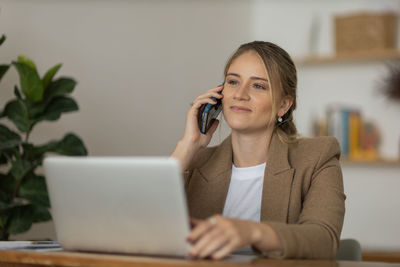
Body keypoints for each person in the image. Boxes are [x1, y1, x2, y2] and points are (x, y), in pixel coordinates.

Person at [170, 41, 345, 260]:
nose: (240, 94)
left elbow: (324, 240)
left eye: (258, 85)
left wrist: (251, 231)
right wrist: (187, 146)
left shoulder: (317, 157)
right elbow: (138, 229)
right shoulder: (194, 162)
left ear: (283, 105)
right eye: (233, 82)